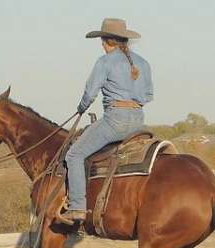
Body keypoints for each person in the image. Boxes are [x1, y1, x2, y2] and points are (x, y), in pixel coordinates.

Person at [61, 18, 153, 225]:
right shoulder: (143, 63)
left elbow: (90, 93)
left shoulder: (104, 62)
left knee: (74, 154)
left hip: (115, 121)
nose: (102, 45)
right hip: (139, 121)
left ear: (106, 41)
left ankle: (77, 207)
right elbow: (148, 95)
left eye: (102, 41)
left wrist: (81, 108)